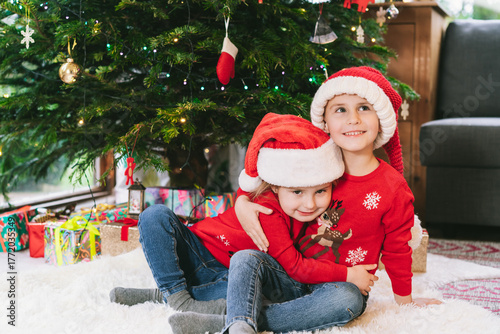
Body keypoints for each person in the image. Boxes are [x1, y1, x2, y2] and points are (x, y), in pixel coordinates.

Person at [113, 113, 373, 334]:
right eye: (297, 192)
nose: (309, 204)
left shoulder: (327, 198)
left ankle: (221, 313)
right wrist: (348, 274)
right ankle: (178, 298)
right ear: (275, 185)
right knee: (153, 215)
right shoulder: (267, 206)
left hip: (239, 280)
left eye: (320, 192)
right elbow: (293, 265)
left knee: (250, 269)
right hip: (199, 253)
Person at [235, 66, 442, 307]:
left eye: (364, 108)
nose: (353, 119)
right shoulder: (311, 159)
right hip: (289, 274)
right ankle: (252, 310)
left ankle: (257, 316)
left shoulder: (393, 188)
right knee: (245, 260)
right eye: (340, 109)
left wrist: (405, 302)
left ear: (381, 119)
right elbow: (264, 176)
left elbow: (398, 250)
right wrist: (242, 200)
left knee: (348, 301)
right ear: (325, 121)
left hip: (342, 286)